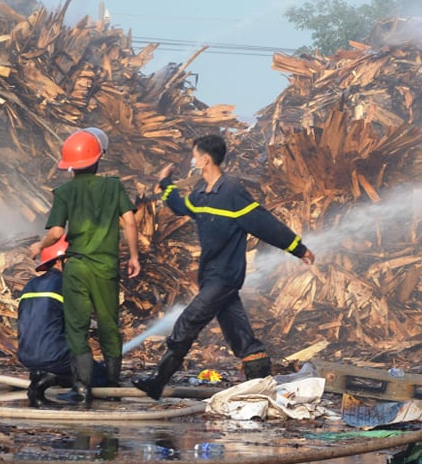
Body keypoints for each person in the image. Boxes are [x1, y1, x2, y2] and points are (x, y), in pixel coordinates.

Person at [133, 133, 315, 400]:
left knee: (188, 321)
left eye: (195, 156)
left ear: (205, 159)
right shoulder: (202, 194)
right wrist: (166, 184)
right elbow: (182, 207)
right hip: (210, 277)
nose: (193, 160)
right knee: (239, 334)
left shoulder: (232, 192)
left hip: (225, 277)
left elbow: (265, 224)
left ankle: (158, 381)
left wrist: (298, 248)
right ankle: (261, 383)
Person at [30, 128, 141, 408]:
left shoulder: (65, 192)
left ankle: (81, 389)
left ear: (69, 166)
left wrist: (38, 247)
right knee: (108, 325)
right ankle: (113, 384)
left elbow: (56, 233)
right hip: (106, 266)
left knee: (76, 328)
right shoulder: (114, 186)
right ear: (98, 159)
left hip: (77, 266)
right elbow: (129, 221)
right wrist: (134, 257)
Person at [17, 236, 108, 408]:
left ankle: (43, 376)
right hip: (55, 357)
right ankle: (58, 380)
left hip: (27, 357)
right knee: (101, 376)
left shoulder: (30, 285)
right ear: (61, 261)